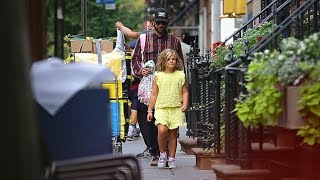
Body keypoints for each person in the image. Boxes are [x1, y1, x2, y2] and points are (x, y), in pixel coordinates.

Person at [131, 7, 184, 166]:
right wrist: (141, 70)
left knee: (168, 121)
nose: (161, 25)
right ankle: (155, 151)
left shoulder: (174, 41)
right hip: (149, 86)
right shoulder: (143, 39)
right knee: (148, 119)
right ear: (153, 23)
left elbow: (180, 64)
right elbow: (134, 60)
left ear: (168, 23)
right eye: (158, 22)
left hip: (169, 86)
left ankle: (166, 153)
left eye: (164, 22)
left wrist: (182, 89)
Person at [147, 49, 189, 169]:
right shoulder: (158, 76)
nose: (171, 61)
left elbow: (185, 91)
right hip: (161, 108)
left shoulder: (180, 75)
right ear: (163, 61)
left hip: (175, 108)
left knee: (173, 135)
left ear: (177, 61)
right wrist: (150, 110)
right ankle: (162, 154)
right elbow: (154, 94)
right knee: (162, 130)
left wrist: (185, 103)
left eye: (174, 59)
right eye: (169, 59)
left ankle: (171, 158)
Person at [126, 40, 141, 141]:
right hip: (135, 87)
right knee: (134, 107)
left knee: (130, 108)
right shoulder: (139, 59)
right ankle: (131, 129)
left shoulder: (125, 58)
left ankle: (131, 128)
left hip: (127, 87)